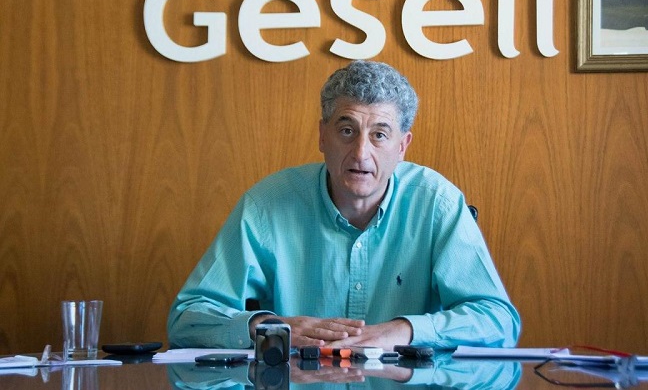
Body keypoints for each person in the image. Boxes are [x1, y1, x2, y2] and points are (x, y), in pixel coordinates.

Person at [167, 60, 520, 351]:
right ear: (323, 135)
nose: (361, 153)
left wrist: (405, 330)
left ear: (402, 146)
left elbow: (498, 320)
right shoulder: (266, 205)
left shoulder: (437, 203)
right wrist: (270, 327)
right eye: (347, 130)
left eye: (379, 134)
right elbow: (187, 319)